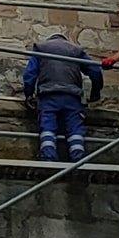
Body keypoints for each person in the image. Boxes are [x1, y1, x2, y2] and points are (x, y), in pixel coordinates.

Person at [22, 28, 103, 162]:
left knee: (47, 127)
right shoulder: (76, 50)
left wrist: (28, 94)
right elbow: (95, 71)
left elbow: (30, 74)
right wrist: (95, 93)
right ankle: (78, 159)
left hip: (49, 95)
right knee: (75, 129)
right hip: (72, 96)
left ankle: (48, 158)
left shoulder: (41, 48)